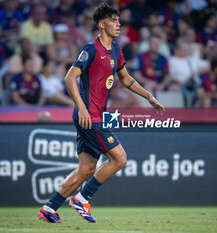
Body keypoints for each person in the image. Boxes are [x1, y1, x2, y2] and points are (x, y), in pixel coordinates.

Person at [37, 3, 164, 224]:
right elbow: (69, 78)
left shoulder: (116, 49)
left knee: (86, 169)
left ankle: (50, 207)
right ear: (101, 24)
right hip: (89, 117)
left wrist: (148, 96)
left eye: (119, 20)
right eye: (114, 20)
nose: (119, 24)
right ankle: (82, 198)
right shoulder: (90, 50)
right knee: (120, 158)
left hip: (97, 116)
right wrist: (82, 108)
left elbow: (125, 79)